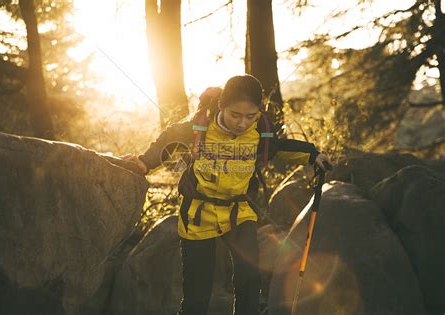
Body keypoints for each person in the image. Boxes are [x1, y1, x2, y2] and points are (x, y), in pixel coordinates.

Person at [122, 74, 332, 315]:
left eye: (250, 116)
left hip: (239, 213)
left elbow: (282, 147)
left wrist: (313, 154)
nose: (242, 123)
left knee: (249, 281)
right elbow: (169, 138)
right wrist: (145, 163)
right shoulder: (200, 127)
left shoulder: (259, 133)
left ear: (258, 112)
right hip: (199, 214)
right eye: (235, 115)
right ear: (222, 106)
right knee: (196, 294)